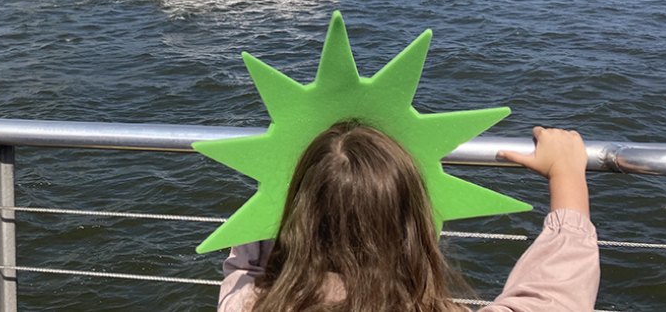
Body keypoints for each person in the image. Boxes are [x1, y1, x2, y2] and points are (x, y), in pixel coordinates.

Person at [218, 122, 598, 312]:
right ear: (414, 225)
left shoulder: (249, 305)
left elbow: (245, 267)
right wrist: (566, 176)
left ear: (296, 217)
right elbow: (555, 296)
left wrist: (286, 180)